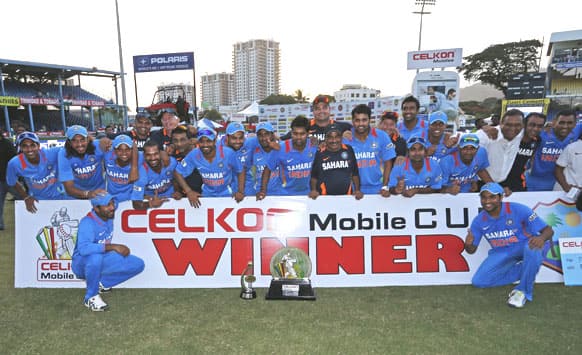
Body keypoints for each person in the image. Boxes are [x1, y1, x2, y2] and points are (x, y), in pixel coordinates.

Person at [464, 182, 554, 308]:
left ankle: (522, 291)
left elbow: (548, 230)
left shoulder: (518, 209)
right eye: (484, 197)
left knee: (533, 248)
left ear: (501, 198)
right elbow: (471, 250)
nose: (487, 201)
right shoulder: (479, 221)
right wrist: (467, 244)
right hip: (502, 252)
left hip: (525, 246)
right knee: (479, 281)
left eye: (492, 197)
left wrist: (542, 238)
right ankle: (529, 268)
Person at [72, 193, 145, 311]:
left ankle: (101, 283)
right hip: (81, 264)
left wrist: (150, 202)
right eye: (107, 205)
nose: (112, 207)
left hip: (101, 258)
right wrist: (112, 247)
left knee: (137, 264)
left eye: (112, 203)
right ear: (96, 208)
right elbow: (84, 249)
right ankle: (91, 297)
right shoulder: (87, 222)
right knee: (96, 257)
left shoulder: (107, 216)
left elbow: (127, 197)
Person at [175, 128, 245, 208]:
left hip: (228, 193)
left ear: (214, 141)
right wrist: (189, 191)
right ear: (198, 142)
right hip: (207, 194)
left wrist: (240, 191)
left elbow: (241, 170)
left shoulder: (228, 153)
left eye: (209, 141)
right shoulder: (194, 154)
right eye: (201, 141)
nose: (205, 145)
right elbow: (177, 172)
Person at [6, 132, 71, 213]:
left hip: (63, 196)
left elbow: (72, 150)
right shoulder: (14, 163)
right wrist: (25, 197)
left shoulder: (52, 153)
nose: (29, 149)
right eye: (25, 146)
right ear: (20, 148)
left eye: (32, 145)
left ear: (38, 146)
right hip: (38, 201)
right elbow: (11, 181)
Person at [257, 115, 317, 199]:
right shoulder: (281, 148)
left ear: (307, 133)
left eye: (302, 134)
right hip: (285, 196)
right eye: (295, 133)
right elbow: (267, 170)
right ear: (291, 133)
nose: (298, 137)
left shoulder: (314, 147)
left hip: (308, 195)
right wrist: (263, 191)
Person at [343, 104, 395, 196]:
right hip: (353, 190)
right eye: (357, 120)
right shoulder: (346, 139)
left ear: (369, 120)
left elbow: (388, 162)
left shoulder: (382, 136)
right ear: (352, 121)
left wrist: (385, 186)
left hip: (377, 189)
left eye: (364, 120)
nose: (361, 124)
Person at [526, 110, 581, 191]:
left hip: (560, 183)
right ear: (554, 122)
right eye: (561, 122)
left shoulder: (576, 132)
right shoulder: (541, 134)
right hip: (535, 181)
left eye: (570, 123)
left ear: (575, 124)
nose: (565, 126)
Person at [475, 109, 524, 195]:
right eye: (508, 124)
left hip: (504, 184)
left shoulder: (521, 134)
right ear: (501, 124)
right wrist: (495, 188)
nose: (513, 128)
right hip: (480, 184)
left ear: (523, 126)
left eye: (517, 125)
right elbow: (477, 165)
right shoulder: (485, 135)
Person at [309, 124, 362, 199]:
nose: (334, 141)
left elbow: (355, 173)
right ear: (325, 139)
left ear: (341, 138)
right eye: (330, 137)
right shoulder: (320, 153)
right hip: (325, 198)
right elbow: (314, 176)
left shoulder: (349, 150)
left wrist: (357, 190)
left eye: (337, 137)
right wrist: (313, 190)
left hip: (347, 197)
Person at [58, 125, 108, 199]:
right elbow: (69, 188)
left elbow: (121, 150)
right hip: (75, 194)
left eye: (82, 140)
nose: (79, 144)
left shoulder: (98, 146)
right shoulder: (64, 154)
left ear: (88, 139)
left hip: (99, 192)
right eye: (74, 140)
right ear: (69, 142)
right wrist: (88, 194)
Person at [499, 112, 545, 193]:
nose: (535, 129)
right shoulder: (510, 137)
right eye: (532, 125)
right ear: (524, 124)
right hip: (499, 182)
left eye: (540, 126)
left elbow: (529, 159)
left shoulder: (537, 140)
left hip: (518, 184)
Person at [280, 95, 351, 144]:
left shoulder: (343, 127)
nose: (321, 111)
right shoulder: (305, 127)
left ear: (330, 109)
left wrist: (345, 136)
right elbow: (282, 140)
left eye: (324, 108)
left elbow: (360, 133)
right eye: (317, 108)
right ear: (313, 111)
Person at [132, 140, 181, 210]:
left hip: (172, 200)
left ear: (161, 153)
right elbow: (135, 204)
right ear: (144, 156)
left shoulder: (171, 162)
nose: (153, 158)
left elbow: (176, 178)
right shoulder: (141, 174)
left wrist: (177, 191)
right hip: (152, 201)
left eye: (155, 154)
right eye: (148, 155)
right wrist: (150, 204)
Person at [248, 122, 283, 196]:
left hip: (279, 195)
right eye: (260, 135)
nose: (263, 138)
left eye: (266, 134)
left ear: (272, 135)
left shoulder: (281, 149)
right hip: (259, 194)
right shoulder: (253, 151)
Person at [104, 135, 141, 202]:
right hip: (111, 199)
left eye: (127, 149)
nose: (124, 153)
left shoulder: (139, 157)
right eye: (119, 149)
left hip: (130, 200)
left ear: (132, 150)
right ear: (114, 150)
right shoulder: (107, 155)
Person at [169, 125, 203, 194]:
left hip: (206, 196)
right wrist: (177, 192)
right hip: (184, 198)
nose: (179, 144)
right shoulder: (171, 156)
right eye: (175, 140)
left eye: (182, 140)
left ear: (191, 140)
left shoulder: (202, 152)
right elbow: (174, 179)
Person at [0, 130, 17, 228]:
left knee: (24, 198)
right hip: (0, 180)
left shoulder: (7, 143)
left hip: (11, 179)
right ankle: (0, 225)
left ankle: (30, 218)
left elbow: (15, 159)